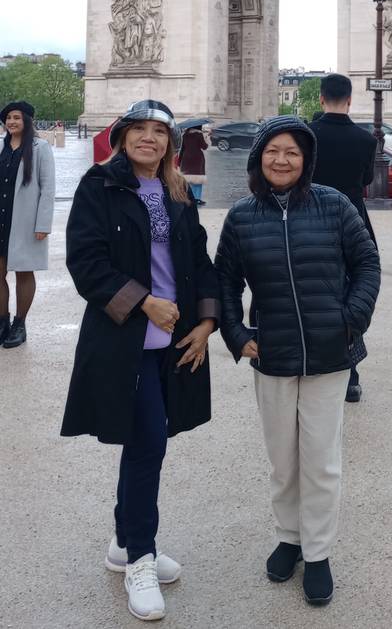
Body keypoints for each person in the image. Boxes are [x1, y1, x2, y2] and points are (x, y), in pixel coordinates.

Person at [61, 100, 221, 622]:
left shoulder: (178, 191)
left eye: (160, 132)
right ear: (123, 136)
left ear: (170, 143)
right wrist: (144, 301)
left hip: (174, 341)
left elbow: (198, 260)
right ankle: (141, 556)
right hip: (126, 339)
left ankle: (122, 542)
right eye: (140, 130)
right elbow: (86, 262)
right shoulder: (97, 186)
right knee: (148, 443)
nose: (149, 139)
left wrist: (206, 322)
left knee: (146, 440)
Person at [215, 116, 380, 607]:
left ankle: (319, 550)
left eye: (291, 152)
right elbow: (224, 281)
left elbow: (367, 263)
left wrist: (351, 320)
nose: (281, 160)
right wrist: (237, 333)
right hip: (273, 353)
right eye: (272, 151)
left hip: (330, 355)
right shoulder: (242, 215)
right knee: (282, 460)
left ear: (306, 159)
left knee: (321, 462)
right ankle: (290, 537)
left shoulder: (335, 205)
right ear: (258, 158)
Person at [309, 73, 377, 403]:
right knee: (352, 294)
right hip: (354, 223)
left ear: (321, 99)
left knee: (313, 293)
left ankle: (313, 365)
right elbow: (365, 179)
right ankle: (350, 374)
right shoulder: (365, 139)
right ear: (350, 100)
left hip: (312, 221)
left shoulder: (308, 135)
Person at [0, 100, 55, 348]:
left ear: (27, 121)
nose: (12, 122)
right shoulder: (0, 147)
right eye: (9, 117)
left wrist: (43, 223)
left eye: (17, 117)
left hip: (23, 220)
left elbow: (48, 187)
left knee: (23, 272)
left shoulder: (40, 147)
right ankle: (2, 322)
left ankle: (19, 325)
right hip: (1, 218)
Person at [179, 126, 208, 205]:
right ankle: (197, 198)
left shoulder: (185, 135)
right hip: (197, 158)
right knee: (198, 180)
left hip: (186, 158)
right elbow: (204, 147)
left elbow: (182, 149)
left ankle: (189, 197)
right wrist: (206, 139)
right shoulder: (199, 135)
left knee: (188, 180)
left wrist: (179, 161)